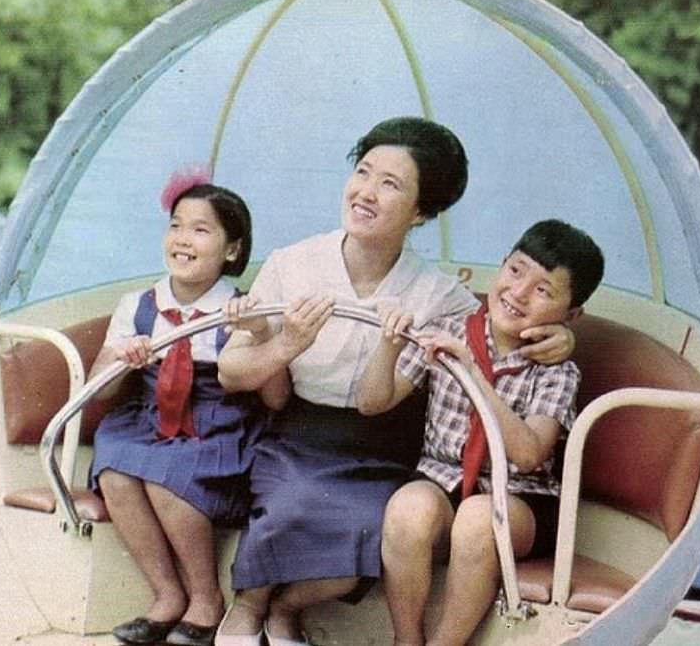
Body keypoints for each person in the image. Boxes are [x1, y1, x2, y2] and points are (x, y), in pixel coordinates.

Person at [215, 117, 575, 646]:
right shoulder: (294, 263)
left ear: (422, 212)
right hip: (298, 434)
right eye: (364, 172)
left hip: (384, 446)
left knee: (372, 536)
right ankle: (247, 610)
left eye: (391, 184)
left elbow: (490, 329)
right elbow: (231, 372)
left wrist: (565, 340)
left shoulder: (437, 293)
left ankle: (287, 607)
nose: (367, 192)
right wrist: (288, 344)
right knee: (291, 506)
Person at [356, 219, 604, 646]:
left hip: (522, 498)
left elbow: (529, 454)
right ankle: (406, 638)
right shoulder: (451, 329)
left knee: (476, 520)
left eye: (543, 290)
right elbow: (372, 402)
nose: (519, 293)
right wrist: (389, 346)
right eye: (516, 271)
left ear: (571, 314)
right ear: (502, 264)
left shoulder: (558, 372)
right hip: (442, 478)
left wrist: (472, 373)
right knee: (408, 508)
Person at [89, 166, 277, 646]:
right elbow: (96, 390)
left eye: (201, 228)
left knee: (168, 474)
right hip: (149, 417)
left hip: (218, 425)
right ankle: (167, 594)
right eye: (176, 225)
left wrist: (258, 333)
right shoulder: (139, 306)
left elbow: (276, 397)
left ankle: (206, 597)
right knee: (114, 469)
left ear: (232, 249)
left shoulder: (241, 308)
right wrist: (120, 358)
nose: (182, 238)